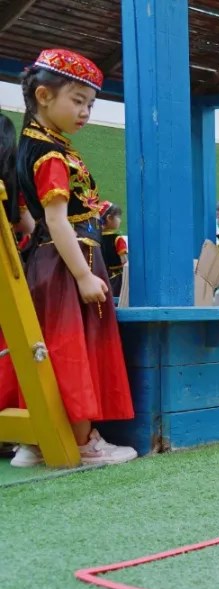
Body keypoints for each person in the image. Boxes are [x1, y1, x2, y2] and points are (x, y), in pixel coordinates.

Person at [0, 49, 137, 466]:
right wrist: (82, 274)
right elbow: (58, 221)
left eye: (90, 103)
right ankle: (82, 441)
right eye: (77, 100)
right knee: (71, 349)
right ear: (43, 95)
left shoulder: (34, 143)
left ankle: (39, 440)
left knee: (48, 347)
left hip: (46, 260)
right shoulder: (52, 154)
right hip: (67, 260)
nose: (86, 111)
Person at [99, 203, 127, 295]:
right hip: (118, 279)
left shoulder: (96, 240)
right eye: (118, 217)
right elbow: (124, 262)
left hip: (102, 277)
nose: (120, 220)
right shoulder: (118, 239)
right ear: (109, 218)